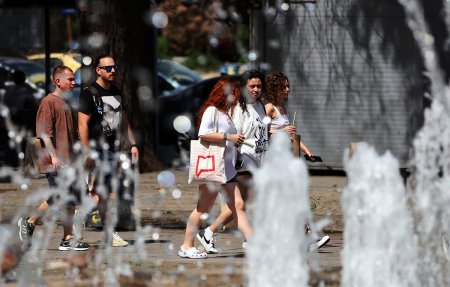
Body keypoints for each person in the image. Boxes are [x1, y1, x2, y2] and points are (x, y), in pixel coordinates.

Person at [179, 76, 253, 259]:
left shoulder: (226, 114)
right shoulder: (212, 110)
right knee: (203, 208)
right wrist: (229, 138)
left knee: (238, 205)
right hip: (213, 169)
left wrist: (235, 146)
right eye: (236, 92)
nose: (238, 96)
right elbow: (203, 134)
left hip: (227, 170)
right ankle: (186, 246)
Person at [18, 66, 89, 251]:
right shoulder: (48, 102)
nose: (74, 82)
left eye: (74, 79)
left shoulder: (66, 102)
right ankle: (29, 221)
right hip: (56, 160)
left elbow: (72, 132)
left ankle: (67, 238)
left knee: (70, 197)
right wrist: (54, 156)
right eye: (70, 79)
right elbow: (44, 133)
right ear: (58, 81)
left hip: (70, 159)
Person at [196, 70, 269, 253]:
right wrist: (234, 159)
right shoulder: (238, 108)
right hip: (243, 161)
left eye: (259, 86)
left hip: (257, 160)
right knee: (245, 203)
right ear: (244, 87)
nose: (255, 89)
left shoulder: (260, 105)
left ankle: (209, 232)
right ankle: (251, 239)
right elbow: (232, 135)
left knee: (239, 204)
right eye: (252, 86)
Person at [78, 54, 139, 247]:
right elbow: (82, 125)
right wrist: (88, 152)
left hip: (112, 151)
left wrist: (132, 143)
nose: (113, 71)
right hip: (97, 151)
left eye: (114, 67)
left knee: (106, 194)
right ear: (98, 70)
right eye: (108, 68)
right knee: (105, 194)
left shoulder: (116, 91)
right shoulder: (88, 93)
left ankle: (103, 229)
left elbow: (122, 119)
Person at [264, 71, 329, 250]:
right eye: (283, 87)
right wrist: (282, 132)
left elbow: (292, 136)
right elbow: (262, 133)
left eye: (288, 86)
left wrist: (308, 152)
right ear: (274, 89)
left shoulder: (283, 108)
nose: (287, 89)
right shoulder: (269, 108)